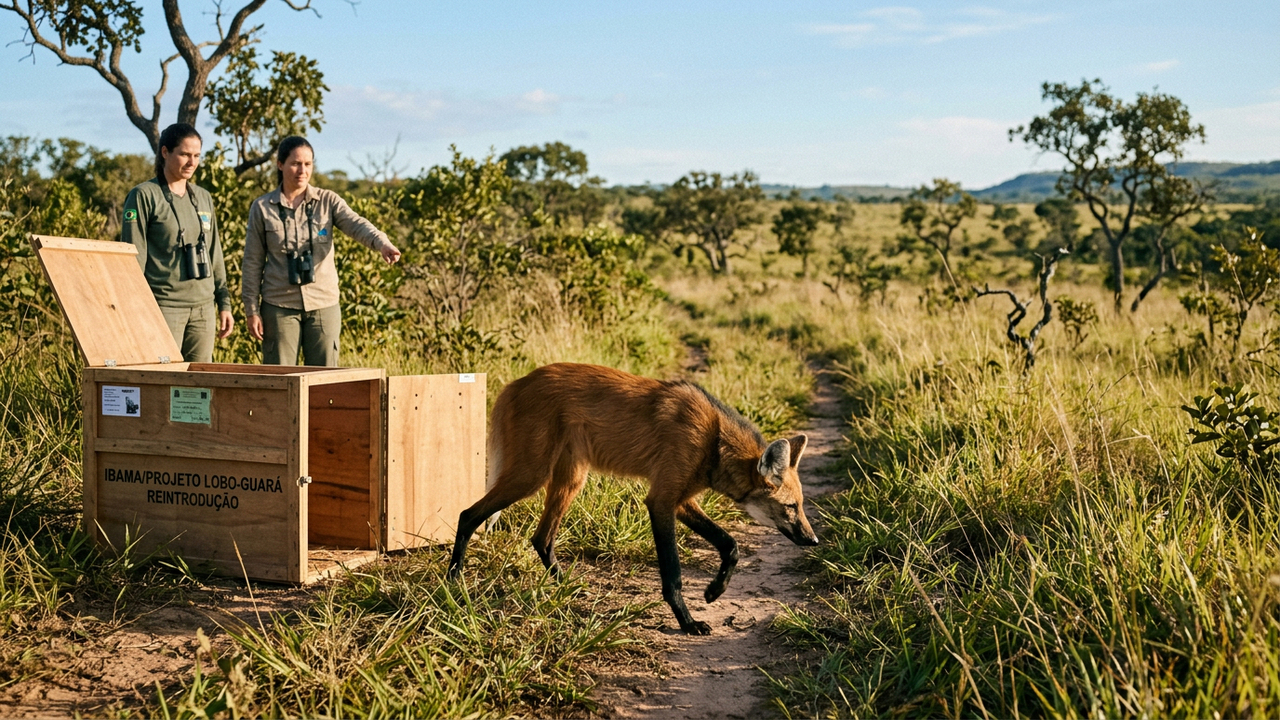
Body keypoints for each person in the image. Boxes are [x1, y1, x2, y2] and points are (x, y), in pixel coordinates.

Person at [243, 136, 401, 366]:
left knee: (324, 382)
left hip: (323, 303)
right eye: (295, 163)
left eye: (308, 164)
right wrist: (251, 309)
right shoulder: (262, 207)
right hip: (279, 305)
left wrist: (381, 242)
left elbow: (356, 224)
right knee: (279, 380)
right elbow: (252, 262)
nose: (302, 170)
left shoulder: (328, 201)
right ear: (280, 164)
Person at [121, 123, 234, 362]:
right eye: (184, 154)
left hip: (204, 309)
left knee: (199, 389)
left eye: (196, 156)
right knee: (161, 382)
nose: (191, 162)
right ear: (165, 152)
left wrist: (224, 303)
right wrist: (135, 308)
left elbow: (215, 254)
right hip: (164, 307)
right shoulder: (143, 195)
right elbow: (134, 258)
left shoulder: (203, 197)